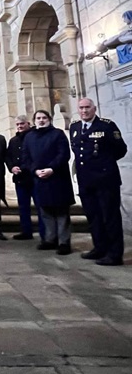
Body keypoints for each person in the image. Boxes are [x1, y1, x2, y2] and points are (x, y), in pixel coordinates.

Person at [70, 98, 128, 266]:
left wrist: (104, 164)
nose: (84, 111)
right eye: (81, 108)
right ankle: (99, 248)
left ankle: (115, 254)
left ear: (94, 109)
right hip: (85, 181)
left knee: (110, 217)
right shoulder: (74, 127)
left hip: (105, 180)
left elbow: (120, 149)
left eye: (87, 107)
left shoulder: (106, 126)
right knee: (93, 217)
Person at [22, 110, 75, 255]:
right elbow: (25, 157)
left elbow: (64, 153)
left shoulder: (57, 134)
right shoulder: (29, 137)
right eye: (38, 118)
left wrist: (51, 168)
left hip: (57, 177)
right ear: (34, 121)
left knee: (61, 211)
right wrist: (35, 170)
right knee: (45, 211)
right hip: (40, 178)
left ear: (49, 119)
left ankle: (64, 242)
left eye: (44, 117)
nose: (41, 120)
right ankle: (50, 239)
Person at [6, 115, 45, 241]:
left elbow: (35, 156)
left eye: (22, 124)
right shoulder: (13, 141)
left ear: (28, 123)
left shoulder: (34, 137)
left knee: (40, 206)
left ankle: (44, 233)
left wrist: (24, 166)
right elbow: (8, 157)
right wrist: (12, 167)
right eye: (17, 124)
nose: (20, 126)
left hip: (33, 177)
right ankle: (26, 231)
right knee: (23, 207)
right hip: (20, 179)